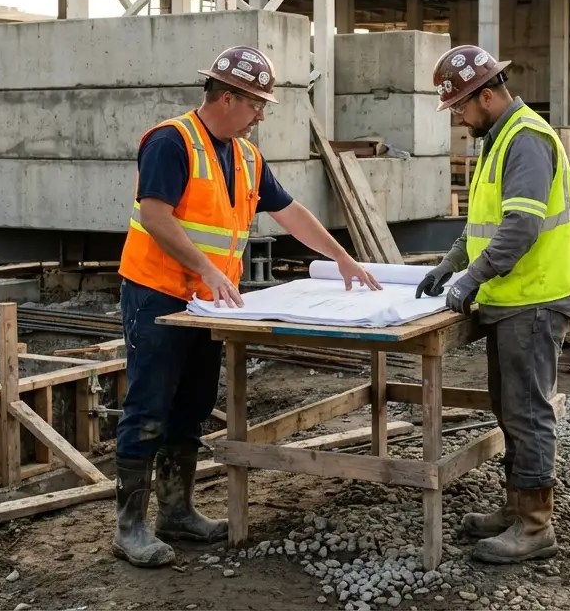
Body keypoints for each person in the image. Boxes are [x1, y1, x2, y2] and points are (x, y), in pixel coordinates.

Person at [114, 45, 383, 568]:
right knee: (148, 408)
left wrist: (342, 258)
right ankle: (130, 528)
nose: (262, 115)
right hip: (159, 294)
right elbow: (155, 214)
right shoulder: (171, 142)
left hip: (210, 306)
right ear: (229, 96)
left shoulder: (246, 156)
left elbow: (290, 212)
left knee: (191, 407)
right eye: (257, 104)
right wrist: (209, 269)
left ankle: (176, 513)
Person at [415, 45, 570, 564]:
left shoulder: (526, 140)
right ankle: (517, 508)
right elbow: (483, 225)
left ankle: (536, 526)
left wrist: (472, 277)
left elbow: (521, 227)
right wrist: (450, 263)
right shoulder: (500, 138)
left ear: (486, 96)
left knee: (528, 410)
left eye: (459, 109)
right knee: (509, 407)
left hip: (535, 297)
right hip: (515, 298)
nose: (458, 118)